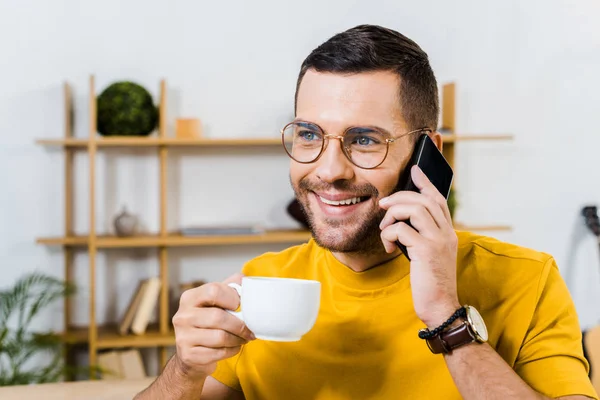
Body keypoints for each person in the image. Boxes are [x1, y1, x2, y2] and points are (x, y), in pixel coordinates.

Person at [135, 24, 598, 399]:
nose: (329, 170)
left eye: (364, 139)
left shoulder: (526, 282)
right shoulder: (263, 284)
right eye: (309, 135)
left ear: (426, 154)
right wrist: (186, 370)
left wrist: (444, 313)